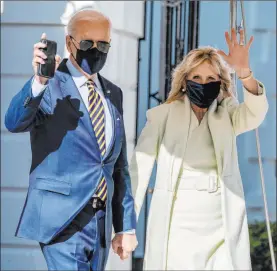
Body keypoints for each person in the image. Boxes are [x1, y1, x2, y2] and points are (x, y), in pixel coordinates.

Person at [5, 9, 137, 271]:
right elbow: (14, 122)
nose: (96, 50)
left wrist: (125, 226)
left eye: (103, 44)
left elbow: (117, 167)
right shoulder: (50, 85)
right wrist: (40, 80)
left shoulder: (114, 93)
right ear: (69, 43)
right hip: (63, 219)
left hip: (100, 219)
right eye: (88, 43)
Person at [130, 28, 268, 270]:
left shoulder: (228, 113)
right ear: (184, 81)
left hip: (220, 219)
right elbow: (138, 170)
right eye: (197, 78)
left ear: (220, 83)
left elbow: (256, 114)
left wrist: (244, 73)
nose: (203, 84)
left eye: (211, 79)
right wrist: (126, 226)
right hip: (177, 221)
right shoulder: (163, 115)